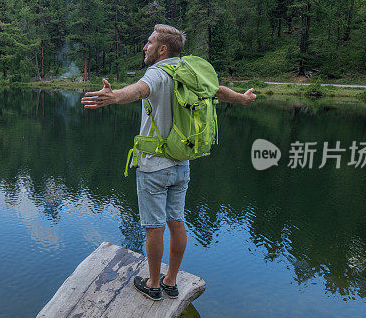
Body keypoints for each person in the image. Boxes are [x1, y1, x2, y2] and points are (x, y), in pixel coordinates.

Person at [81, 24, 256, 301]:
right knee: (177, 221)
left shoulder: (157, 72)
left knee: (154, 227)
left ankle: (152, 284)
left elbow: (139, 90)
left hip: (154, 167)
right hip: (182, 163)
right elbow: (219, 91)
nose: (145, 47)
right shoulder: (190, 71)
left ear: (163, 49)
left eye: (149, 43)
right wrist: (243, 99)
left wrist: (114, 97)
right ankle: (171, 281)